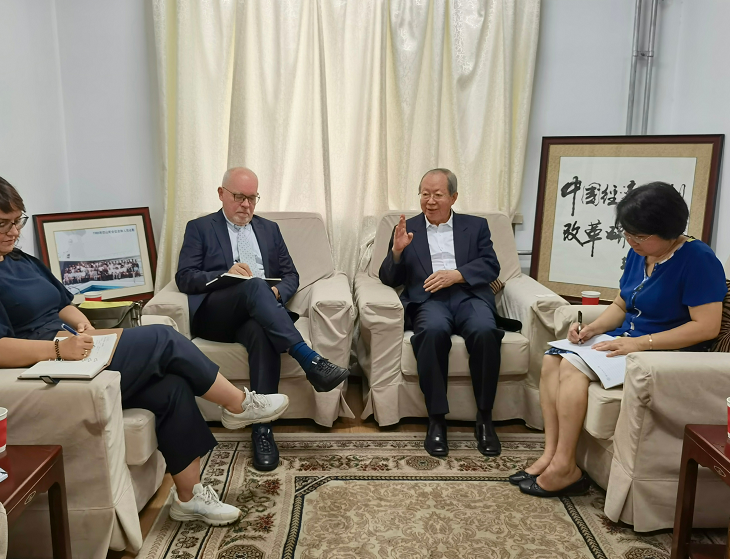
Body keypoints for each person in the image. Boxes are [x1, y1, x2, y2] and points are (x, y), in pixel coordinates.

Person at [0, 172, 291, 526]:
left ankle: (189, 498)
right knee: (162, 338)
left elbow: (62, 303)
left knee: (172, 387)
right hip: (41, 372)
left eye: (17, 221)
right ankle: (239, 405)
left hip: (72, 353)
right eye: (2, 224)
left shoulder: (19, 260)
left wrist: (83, 326)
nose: (14, 231)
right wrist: (57, 350)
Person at [512, 181, 726, 497]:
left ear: (670, 230)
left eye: (640, 236)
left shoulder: (698, 259)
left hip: (664, 353)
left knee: (571, 367)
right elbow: (622, 303)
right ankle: (551, 455)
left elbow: (706, 327)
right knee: (552, 358)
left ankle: (565, 468)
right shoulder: (641, 252)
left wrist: (640, 343)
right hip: (628, 340)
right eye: (627, 233)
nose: (631, 241)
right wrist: (592, 328)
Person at [175, 167, 350, 472]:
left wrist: (277, 293)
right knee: (254, 284)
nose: (246, 205)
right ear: (221, 194)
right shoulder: (200, 227)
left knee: (262, 330)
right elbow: (185, 277)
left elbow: (291, 274)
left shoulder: (269, 229)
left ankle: (262, 429)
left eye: (252, 198)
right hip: (216, 314)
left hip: (258, 314)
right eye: (239, 197)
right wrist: (225, 274)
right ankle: (309, 360)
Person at [379, 168, 516, 458]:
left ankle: (485, 419)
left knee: (484, 331)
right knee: (432, 332)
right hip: (428, 300)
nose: (430, 201)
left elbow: (491, 266)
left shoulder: (476, 226)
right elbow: (389, 279)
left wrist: (457, 274)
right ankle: (436, 420)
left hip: (469, 296)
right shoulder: (407, 228)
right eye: (425, 194)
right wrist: (397, 252)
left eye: (438, 195)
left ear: (453, 197)